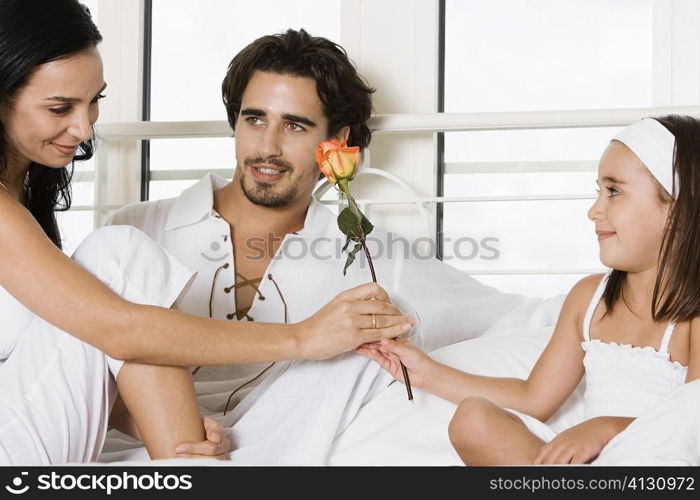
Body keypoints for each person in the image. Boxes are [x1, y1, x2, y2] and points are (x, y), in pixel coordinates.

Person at [0, 0, 411, 465]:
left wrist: (167, 425)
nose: (84, 126)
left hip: (29, 429)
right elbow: (117, 333)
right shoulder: (130, 226)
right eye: (60, 107)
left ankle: (190, 462)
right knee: (120, 252)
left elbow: (69, 364)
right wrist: (303, 338)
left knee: (377, 333)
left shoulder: (24, 192)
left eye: (95, 101)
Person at [105, 28, 537, 464]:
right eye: (255, 119)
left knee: (377, 317)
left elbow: (526, 316)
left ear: (336, 141)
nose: (267, 147)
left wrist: (602, 290)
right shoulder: (135, 232)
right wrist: (159, 426)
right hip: (145, 448)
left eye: (294, 125)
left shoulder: (373, 257)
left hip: (267, 444)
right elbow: (82, 360)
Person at [361, 115, 700, 465]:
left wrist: (606, 429)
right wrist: (425, 371)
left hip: (659, 467)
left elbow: (690, 427)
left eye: (614, 191)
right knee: (473, 420)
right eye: (598, 191)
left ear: (678, 209)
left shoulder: (692, 317)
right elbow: (532, 398)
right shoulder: (589, 300)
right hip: (588, 467)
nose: (594, 210)